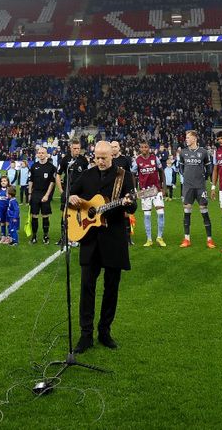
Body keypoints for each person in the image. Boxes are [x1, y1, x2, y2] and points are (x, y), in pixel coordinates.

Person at [67, 141, 133, 353]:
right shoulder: (87, 175)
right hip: (89, 239)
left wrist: (128, 202)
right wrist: (72, 197)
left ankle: (104, 331)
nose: (100, 161)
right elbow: (70, 197)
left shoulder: (123, 176)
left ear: (112, 155)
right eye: (97, 157)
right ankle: (85, 335)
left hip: (114, 238)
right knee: (87, 287)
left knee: (111, 288)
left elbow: (133, 206)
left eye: (104, 157)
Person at [177, 130, 216, 247]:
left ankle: (209, 240)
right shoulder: (183, 153)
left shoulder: (204, 152)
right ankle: (186, 239)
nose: (186, 139)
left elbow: (209, 169)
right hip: (188, 187)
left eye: (188, 137)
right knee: (187, 210)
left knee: (204, 210)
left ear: (194, 139)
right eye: (186, 137)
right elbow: (181, 169)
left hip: (200, 187)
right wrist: (188, 178)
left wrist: (202, 178)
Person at [133, 141, 165, 247]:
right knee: (147, 215)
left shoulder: (154, 158)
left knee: (161, 213)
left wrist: (163, 187)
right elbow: (133, 174)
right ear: (140, 149)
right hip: (144, 191)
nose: (144, 149)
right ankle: (149, 239)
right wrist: (135, 189)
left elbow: (161, 172)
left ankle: (159, 237)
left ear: (149, 148)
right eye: (142, 147)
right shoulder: (137, 160)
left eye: (146, 147)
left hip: (156, 190)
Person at [27, 146, 61, 245]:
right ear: (37, 154)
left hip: (45, 194)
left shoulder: (51, 167)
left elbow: (52, 183)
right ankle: (34, 236)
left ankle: (46, 236)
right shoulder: (34, 166)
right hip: (35, 194)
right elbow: (31, 181)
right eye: (39, 153)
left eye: (43, 153)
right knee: (34, 216)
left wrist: (47, 195)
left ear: (46, 154)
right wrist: (29, 193)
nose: (41, 154)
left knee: (45, 216)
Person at [0, 176, 12, 243]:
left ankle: (9, 237)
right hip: (0, 210)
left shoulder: (10, 190)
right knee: (2, 223)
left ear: (8, 182)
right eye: (2, 181)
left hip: (8, 210)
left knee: (8, 223)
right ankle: (3, 236)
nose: (3, 182)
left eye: (5, 181)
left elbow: (12, 199)